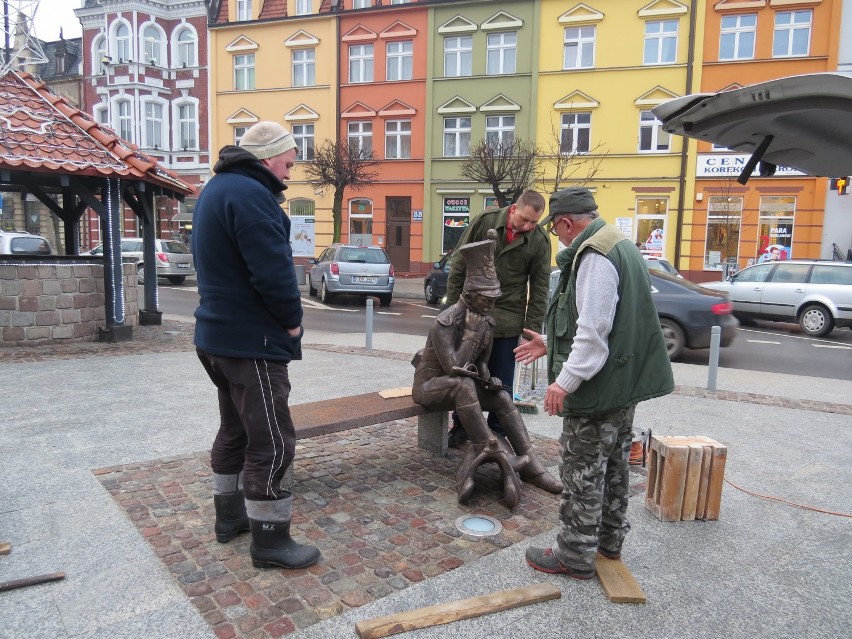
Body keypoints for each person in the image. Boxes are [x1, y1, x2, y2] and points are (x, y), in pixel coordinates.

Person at [514, 187, 674, 580]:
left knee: (582, 473)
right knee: (616, 468)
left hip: (597, 388)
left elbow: (593, 330)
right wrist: (550, 345)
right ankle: (608, 542)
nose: (560, 239)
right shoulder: (621, 243)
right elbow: (612, 323)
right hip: (621, 383)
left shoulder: (594, 256)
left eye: (557, 231)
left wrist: (563, 381)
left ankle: (574, 556)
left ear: (567, 223)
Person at [192, 121, 320, 570]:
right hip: (252, 342)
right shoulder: (251, 195)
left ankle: (229, 518)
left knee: (236, 430)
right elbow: (272, 271)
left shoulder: (217, 189)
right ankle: (270, 542)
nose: (291, 169)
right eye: (288, 160)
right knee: (274, 442)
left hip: (216, 339)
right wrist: (290, 323)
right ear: (268, 157)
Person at [412, 232, 562, 507]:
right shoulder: (445, 322)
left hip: (461, 385)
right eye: (487, 299)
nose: (492, 305)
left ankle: (532, 466)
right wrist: (470, 333)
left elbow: (479, 363)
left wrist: (488, 378)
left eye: (494, 298)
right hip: (432, 386)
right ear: (469, 296)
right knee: (464, 385)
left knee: (502, 396)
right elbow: (453, 367)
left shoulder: (486, 321)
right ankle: (487, 446)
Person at [444, 190, 551, 444]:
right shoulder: (485, 222)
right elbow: (460, 262)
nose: (528, 226)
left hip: (508, 320)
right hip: (472, 312)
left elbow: (539, 289)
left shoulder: (539, 241)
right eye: (524, 219)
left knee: (501, 381)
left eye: (534, 222)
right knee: (466, 373)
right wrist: (451, 310)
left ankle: (498, 433)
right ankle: (461, 426)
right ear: (514, 209)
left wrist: (529, 333)